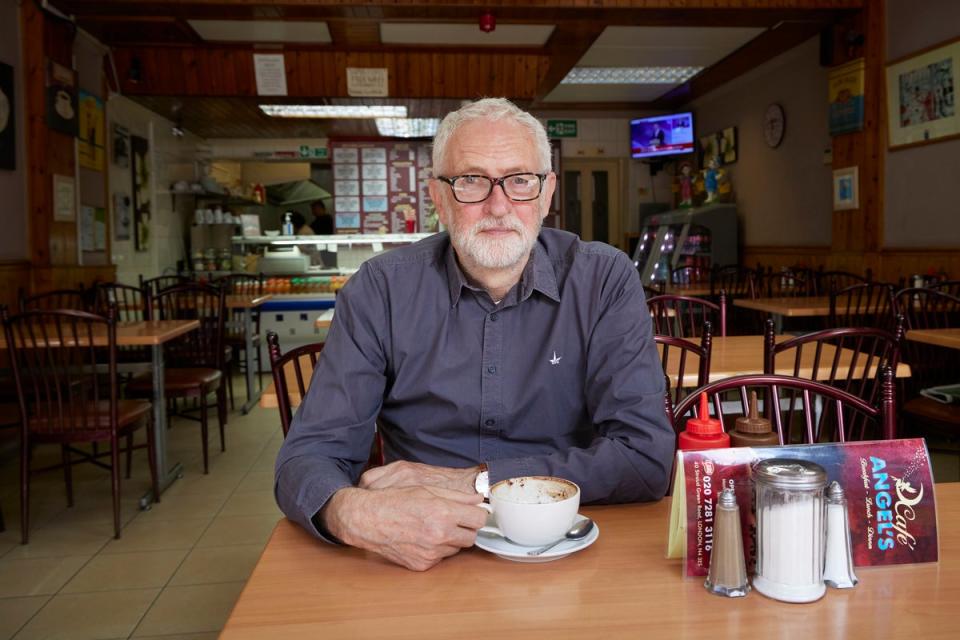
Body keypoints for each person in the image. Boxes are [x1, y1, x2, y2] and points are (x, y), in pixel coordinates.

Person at [275, 97, 674, 572]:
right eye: (471, 181)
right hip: (419, 553)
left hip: (568, 550)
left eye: (520, 180)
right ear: (439, 198)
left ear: (546, 194)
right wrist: (352, 513)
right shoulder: (379, 289)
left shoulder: (603, 279)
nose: (498, 205)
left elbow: (646, 459)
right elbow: (309, 455)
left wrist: (476, 483)